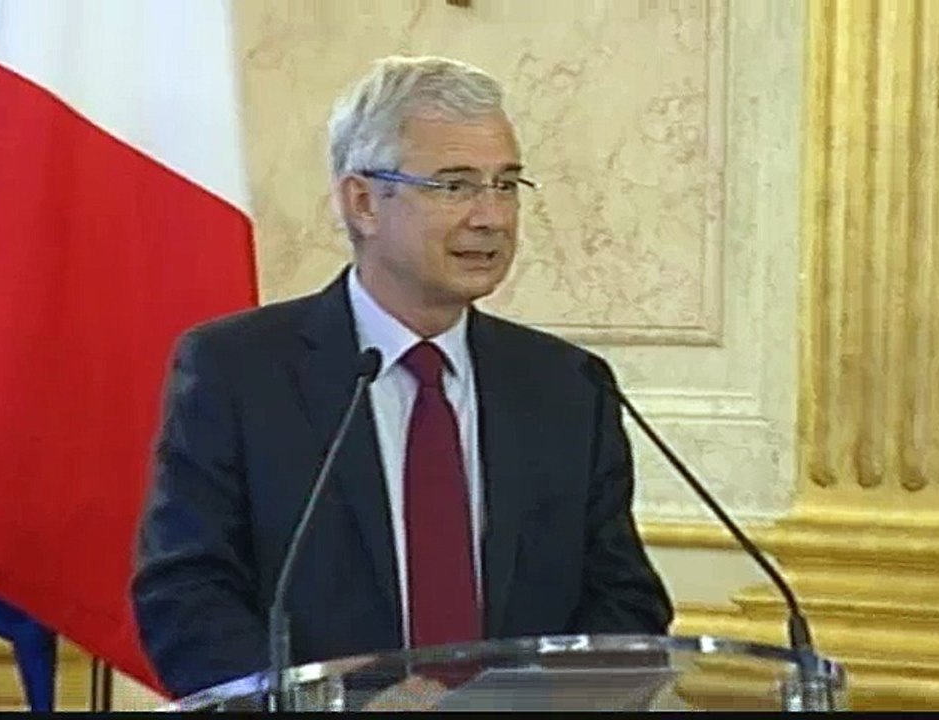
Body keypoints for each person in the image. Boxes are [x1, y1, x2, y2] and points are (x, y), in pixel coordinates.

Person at [132, 55, 674, 700]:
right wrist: (330, 704)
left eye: (505, 185)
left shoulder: (567, 385)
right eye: (454, 185)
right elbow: (186, 597)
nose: (491, 218)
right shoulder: (238, 371)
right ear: (362, 201)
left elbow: (624, 601)